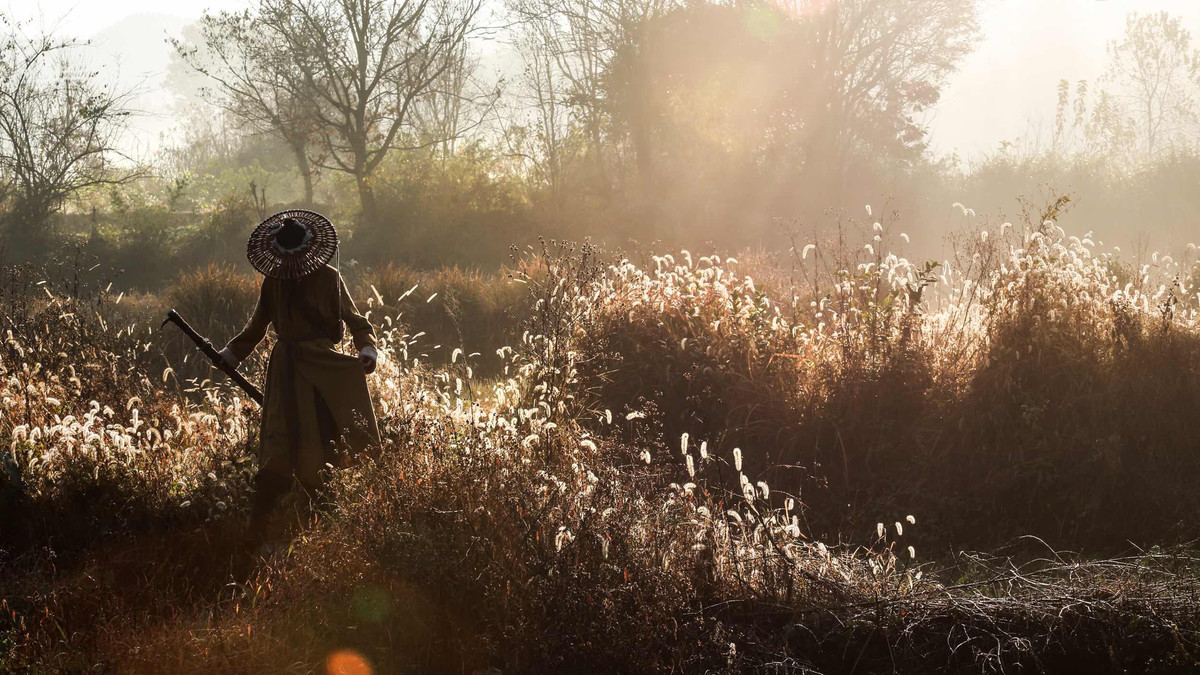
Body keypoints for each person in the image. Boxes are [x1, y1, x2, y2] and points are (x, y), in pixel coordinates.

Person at [217, 210, 380, 538]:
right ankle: (259, 524)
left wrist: (366, 348)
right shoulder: (273, 282)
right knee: (279, 433)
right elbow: (257, 326)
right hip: (285, 368)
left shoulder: (329, 278)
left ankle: (323, 513)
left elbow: (356, 320)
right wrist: (231, 354)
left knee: (320, 433)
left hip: (322, 365)